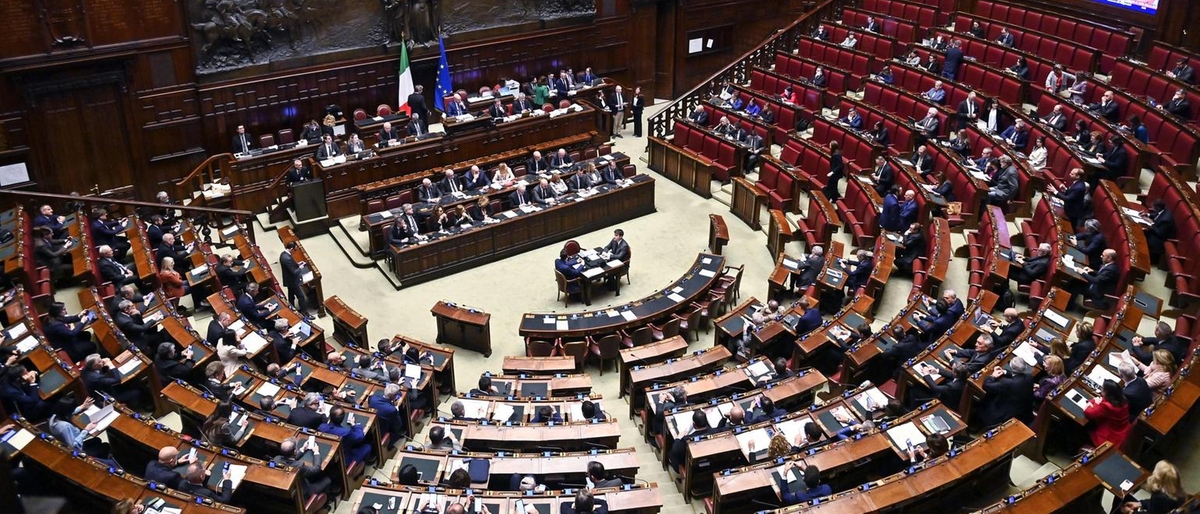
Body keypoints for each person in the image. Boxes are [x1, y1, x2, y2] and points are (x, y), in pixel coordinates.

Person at [978, 358, 1034, 427]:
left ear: (1010, 367)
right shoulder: (1029, 377)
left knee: (987, 397)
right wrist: (1004, 372)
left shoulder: (1007, 383)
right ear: (1025, 367)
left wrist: (993, 376)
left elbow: (986, 386)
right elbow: (1018, 375)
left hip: (1006, 415)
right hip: (1024, 412)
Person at [1116, 460, 1186, 514]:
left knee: (1119, 501)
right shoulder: (1178, 492)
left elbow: (1153, 510)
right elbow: (1155, 506)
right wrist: (1141, 504)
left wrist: (1130, 512)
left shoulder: (1159, 498)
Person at [1085, 379, 1131, 448]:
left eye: (1102, 389)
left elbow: (1088, 413)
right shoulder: (1123, 400)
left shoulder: (1108, 406)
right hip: (1121, 430)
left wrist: (1093, 402)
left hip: (1109, 436)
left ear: (1106, 392)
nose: (1101, 390)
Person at [369, 383, 406, 448]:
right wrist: (396, 409)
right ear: (394, 396)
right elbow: (399, 425)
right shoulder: (392, 410)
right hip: (383, 430)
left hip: (371, 429)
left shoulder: (372, 398)